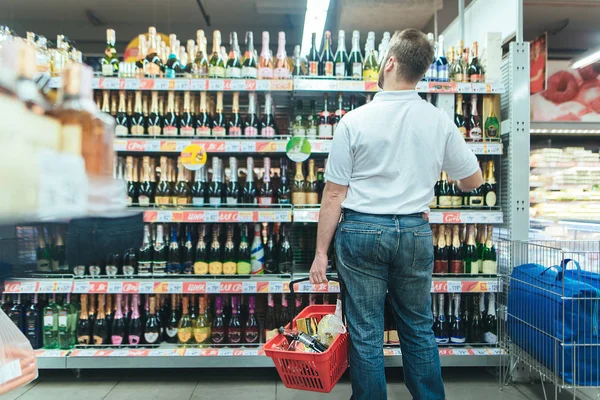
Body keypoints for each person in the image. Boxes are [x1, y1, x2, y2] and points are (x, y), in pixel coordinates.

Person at [309, 29, 483, 400]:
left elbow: (334, 194)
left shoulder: (354, 121)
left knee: (367, 331)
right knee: (418, 328)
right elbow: (473, 181)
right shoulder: (438, 121)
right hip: (415, 231)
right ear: (421, 71)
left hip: (361, 230)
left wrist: (321, 252)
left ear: (390, 62)